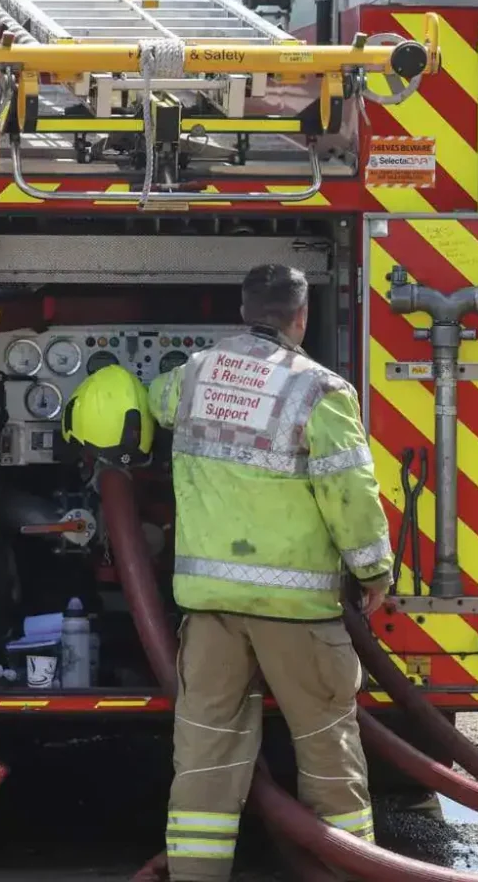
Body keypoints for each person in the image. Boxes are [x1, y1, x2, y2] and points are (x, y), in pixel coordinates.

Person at [148, 263, 393, 882]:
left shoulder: (193, 376)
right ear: (302, 317)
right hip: (297, 614)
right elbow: (351, 492)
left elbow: (154, 400)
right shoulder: (321, 391)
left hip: (210, 613)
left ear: (243, 311)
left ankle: (196, 876)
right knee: (329, 757)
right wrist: (373, 571)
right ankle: (345, 870)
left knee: (204, 758)